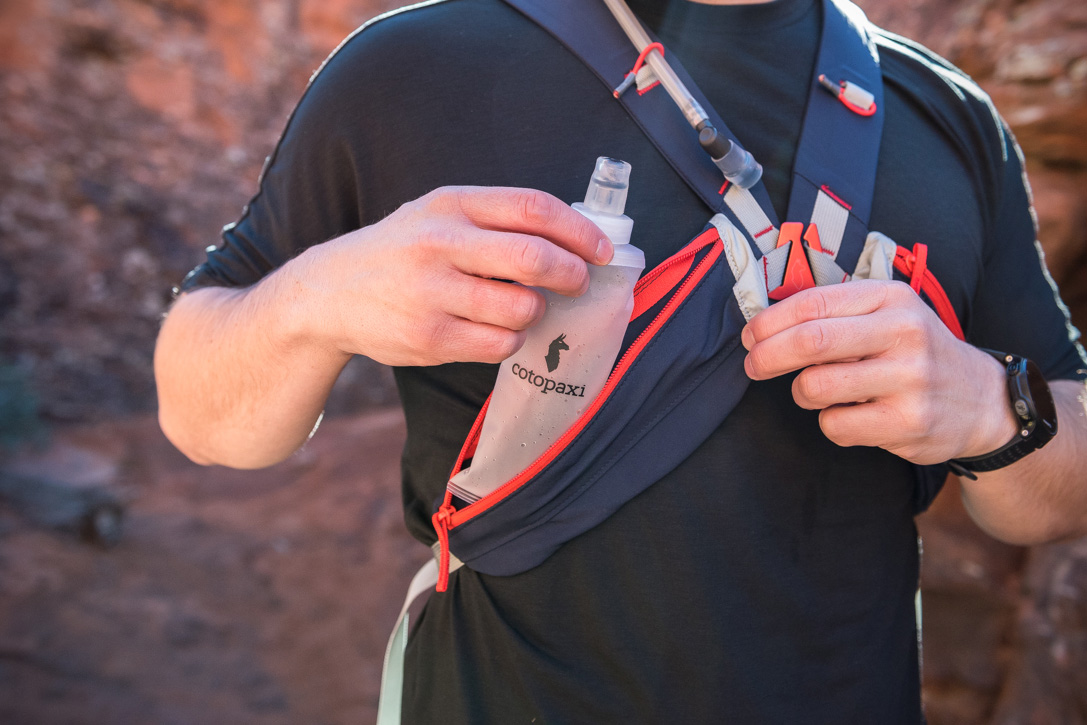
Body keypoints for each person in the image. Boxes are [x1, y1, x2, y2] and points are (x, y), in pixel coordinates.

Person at [154, 0, 1087, 720]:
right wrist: (315, 298)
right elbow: (201, 413)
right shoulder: (409, 66)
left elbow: (1066, 471)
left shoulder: (946, 116)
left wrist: (990, 405)